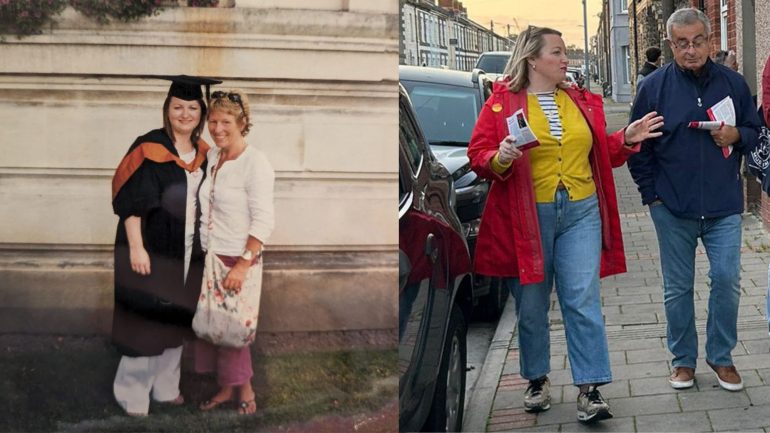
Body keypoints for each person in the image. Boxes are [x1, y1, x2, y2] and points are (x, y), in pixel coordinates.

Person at [467, 25, 663, 423]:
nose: (564, 58)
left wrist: (626, 136)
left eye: (563, 52)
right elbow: (478, 156)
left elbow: (598, 153)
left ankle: (590, 389)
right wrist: (501, 155)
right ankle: (537, 379)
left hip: (581, 210)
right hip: (528, 216)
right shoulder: (503, 102)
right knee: (533, 305)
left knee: (582, 299)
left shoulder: (579, 100)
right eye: (556, 52)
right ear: (532, 59)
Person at [628, 8, 760, 392]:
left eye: (698, 41)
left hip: (723, 205)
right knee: (677, 287)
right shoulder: (653, 88)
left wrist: (736, 135)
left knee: (726, 279)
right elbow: (639, 147)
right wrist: (651, 197)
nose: (691, 50)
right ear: (671, 45)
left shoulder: (733, 84)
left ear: (710, 41)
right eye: (682, 43)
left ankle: (721, 356)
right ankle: (683, 360)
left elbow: (755, 129)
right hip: (672, 207)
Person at [111, 75, 221, 416]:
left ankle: (165, 387)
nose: (184, 114)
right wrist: (136, 247)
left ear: (201, 113)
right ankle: (132, 394)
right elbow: (130, 200)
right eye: (178, 107)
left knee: (174, 319)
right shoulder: (148, 147)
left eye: (192, 108)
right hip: (150, 248)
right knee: (144, 321)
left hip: (188, 252)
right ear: (167, 110)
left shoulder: (205, 153)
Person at [194, 89, 275, 415]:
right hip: (212, 255)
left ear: (242, 122)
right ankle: (229, 388)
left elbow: (264, 219)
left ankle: (246, 392)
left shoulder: (255, 163)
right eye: (212, 121)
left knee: (233, 330)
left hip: (238, 258)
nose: (217, 128)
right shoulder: (213, 157)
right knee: (218, 329)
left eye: (225, 121)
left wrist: (243, 264)